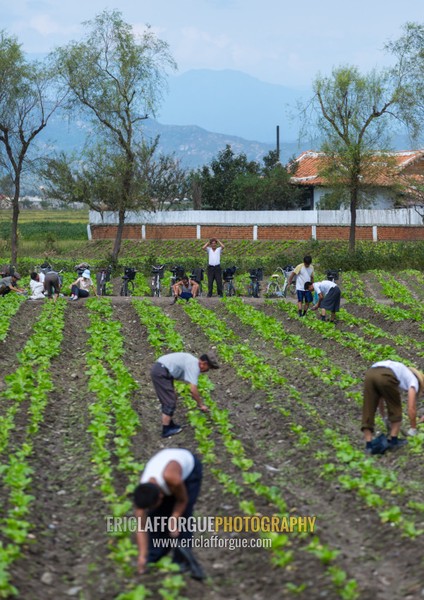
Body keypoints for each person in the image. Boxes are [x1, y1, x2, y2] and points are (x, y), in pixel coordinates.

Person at [133, 448, 205, 579]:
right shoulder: (142, 494)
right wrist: (142, 555)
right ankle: (151, 558)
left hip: (189, 472)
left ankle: (181, 562)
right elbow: (141, 527)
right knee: (155, 519)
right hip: (166, 466)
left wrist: (174, 519)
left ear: (161, 495)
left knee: (183, 519)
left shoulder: (172, 479)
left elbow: (182, 500)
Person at [151, 351, 219, 438]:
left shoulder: (192, 362)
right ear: (203, 363)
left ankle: (170, 424)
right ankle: (166, 430)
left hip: (163, 370)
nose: (207, 370)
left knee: (172, 397)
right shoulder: (194, 366)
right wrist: (201, 405)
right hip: (161, 371)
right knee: (169, 402)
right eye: (208, 368)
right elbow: (193, 390)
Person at [361, 360, 424, 453]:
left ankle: (369, 445)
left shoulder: (401, 371)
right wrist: (413, 428)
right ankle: (394, 441)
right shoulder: (413, 380)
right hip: (387, 375)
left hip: (370, 373)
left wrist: (384, 417)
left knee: (368, 408)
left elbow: (380, 399)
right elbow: (411, 407)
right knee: (395, 407)